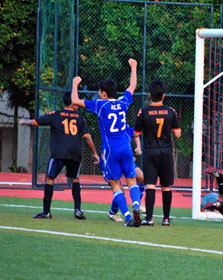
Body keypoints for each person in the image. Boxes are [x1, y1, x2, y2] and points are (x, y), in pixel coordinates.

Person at [71, 58, 142, 227]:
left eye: (99, 92)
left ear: (103, 93)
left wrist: (75, 84)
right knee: (132, 181)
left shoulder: (100, 105)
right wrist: (134, 67)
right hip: (126, 146)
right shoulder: (123, 102)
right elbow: (132, 86)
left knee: (116, 185)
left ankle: (128, 217)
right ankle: (137, 207)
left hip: (111, 149)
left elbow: (75, 100)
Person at [20, 92, 99, 220]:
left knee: (50, 179)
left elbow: (35, 121)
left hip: (59, 153)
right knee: (75, 179)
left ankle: (46, 212)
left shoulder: (56, 115)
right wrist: (95, 153)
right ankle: (78, 210)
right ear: (73, 102)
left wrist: (24, 121)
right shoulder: (80, 118)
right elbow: (87, 137)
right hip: (75, 153)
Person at [134, 80, 181, 226]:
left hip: (150, 151)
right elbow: (178, 134)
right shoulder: (171, 111)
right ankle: (166, 219)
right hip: (166, 151)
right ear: (164, 95)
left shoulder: (144, 111)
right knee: (166, 186)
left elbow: (136, 132)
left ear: (150, 94)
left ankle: (149, 218)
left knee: (150, 185)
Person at [106, 126, 146, 222]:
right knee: (120, 190)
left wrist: (138, 147)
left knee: (142, 177)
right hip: (111, 159)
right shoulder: (106, 123)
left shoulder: (123, 123)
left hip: (125, 158)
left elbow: (135, 133)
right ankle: (113, 212)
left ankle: (137, 203)